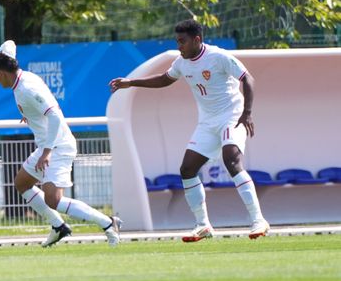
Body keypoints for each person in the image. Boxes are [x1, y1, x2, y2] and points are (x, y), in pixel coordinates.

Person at [109, 19, 269, 242]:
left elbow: (247, 78)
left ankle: (258, 220)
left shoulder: (219, 56)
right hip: (207, 122)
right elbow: (165, 79)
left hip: (232, 116)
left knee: (231, 160)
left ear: (197, 40)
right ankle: (203, 225)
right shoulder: (182, 62)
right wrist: (131, 82)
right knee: (187, 169)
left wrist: (248, 112)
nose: (179, 46)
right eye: (177, 41)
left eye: (182, 41)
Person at [0, 40, 121, 247]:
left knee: (53, 200)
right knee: (22, 183)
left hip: (58, 147)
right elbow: (43, 109)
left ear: (1, 73)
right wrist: (31, 117)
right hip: (47, 146)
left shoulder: (26, 87)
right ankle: (58, 227)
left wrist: (46, 152)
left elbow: (56, 117)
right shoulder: (23, 79)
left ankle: (108, 223)